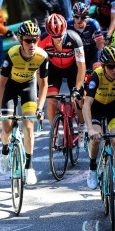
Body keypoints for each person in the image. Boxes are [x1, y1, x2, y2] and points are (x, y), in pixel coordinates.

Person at [0, 21, 49, 185]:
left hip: (28, 88)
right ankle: (4, 151)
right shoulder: (11, 54)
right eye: (28, 40)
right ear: (20, 40)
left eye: (35, 39)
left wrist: (40, 108)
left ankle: (29, 167)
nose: (32, 44)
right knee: (7, 127)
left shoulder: (42, 56)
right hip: (10, 87)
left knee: (29, 126)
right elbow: (1, 84)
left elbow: (43, 84)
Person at [83, 46, 115, 199]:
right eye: (111, 66)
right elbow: (87, 104)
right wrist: (90, 129)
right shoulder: (96, 76)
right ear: (103, 67)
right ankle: (92, 168)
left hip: (113, 108)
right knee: (95, 139)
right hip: (96, 108)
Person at [38, 13, 87, 145]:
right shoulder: (42, 40)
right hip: (54, 70)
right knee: (52, 101)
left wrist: (77, 89)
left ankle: (82, 126)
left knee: (77, 99)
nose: (57, 39)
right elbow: (37, 66)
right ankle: (55, 132)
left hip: (73, 68)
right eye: (54, 37)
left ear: (65, 30)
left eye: (60, 36)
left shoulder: (75, 39)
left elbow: (81, 66)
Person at [67, 2, 102, 70]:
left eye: (82, 17)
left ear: (86, 17)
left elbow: (100, 44)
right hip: (76, 52)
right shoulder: (68, 24)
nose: (79, 20)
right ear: (73, 16)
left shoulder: (93, 24)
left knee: (97, 68)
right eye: (77, 17)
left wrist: (100, 59)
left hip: (92, 52)